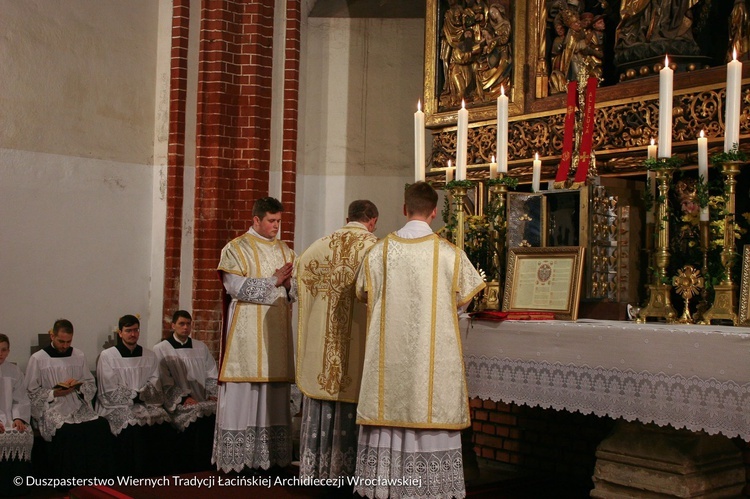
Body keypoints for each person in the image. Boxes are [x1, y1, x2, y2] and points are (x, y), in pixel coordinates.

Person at [353, 182, 485, 498]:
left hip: (391, 367)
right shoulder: (450, 254)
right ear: (435, 211)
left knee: (390, 411)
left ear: (404, 208)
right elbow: (465, 300)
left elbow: (362, 293)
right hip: (431, 366)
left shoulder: (379, 251)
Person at [295, 200, 379, 480]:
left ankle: (317, 468)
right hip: (358, 342)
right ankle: (352, 471)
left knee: (325, 381)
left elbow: (299, 288)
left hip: (324, 345)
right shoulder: (376, 249)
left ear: (347, 217)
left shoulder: (317, 247)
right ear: (373, 220)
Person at [214, 196, 296, 473]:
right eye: (271, 221)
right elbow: (234, 287)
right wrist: (274, 280)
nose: (276, 226)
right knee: (245, 394)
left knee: (272, 396)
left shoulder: (286, 250)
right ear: (256, 220)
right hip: (245, 339)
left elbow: (294, 291)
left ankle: (270, 459)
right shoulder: (237, 248)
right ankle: (239, 462)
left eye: (279, 222)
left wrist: (289, 286)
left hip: (276, 338)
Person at [25, 319, 112, 479]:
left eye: (69, 341)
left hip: (76, 404)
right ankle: (67, 479)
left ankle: (94, 477)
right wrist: (53, 393)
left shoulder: (78, 355)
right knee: (68, 431)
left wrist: (78, 386)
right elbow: (31, 392)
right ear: (52, 335)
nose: (65, 346)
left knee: (100, 426)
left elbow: (90, 383)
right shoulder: (38, 359)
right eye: (61, 341)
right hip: (51, 408)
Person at [96, 314, 176, 477]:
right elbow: (109, 386)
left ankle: (157, 474)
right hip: (117, 405)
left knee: (164, 420)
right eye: (128, 330)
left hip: (145, 402)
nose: (133, 334)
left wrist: (143, 395)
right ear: (120, 333)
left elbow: (154, 379)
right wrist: (134, 395)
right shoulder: (108, 356)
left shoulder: (149, 355)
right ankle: (130, 475)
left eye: (136, 330)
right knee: (131, 425)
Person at [153, 310, 218, 472]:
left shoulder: (200, 347)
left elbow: (212, 372)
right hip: (178, 403)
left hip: (202, 398)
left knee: (215, 413)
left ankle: (208, 465)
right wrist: (183, 399)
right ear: (173, 325)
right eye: (181, 323)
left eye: (188, 324)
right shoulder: (161, 348)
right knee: (195, 418)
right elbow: (163, 380)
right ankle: (189, 468)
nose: (186, 327)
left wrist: (212, 393)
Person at [0, 334, 32, 497]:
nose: (0, 354)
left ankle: (16, 488)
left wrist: (19, 418)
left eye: (4, 350)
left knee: (22, 434)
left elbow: (21, 398)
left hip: (10, 418)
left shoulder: (13, 370)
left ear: (8, 351)